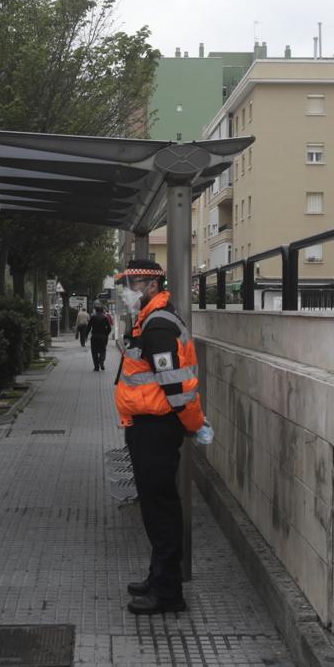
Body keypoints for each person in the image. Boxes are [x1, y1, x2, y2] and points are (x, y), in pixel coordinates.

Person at [113, 259, 212, 615]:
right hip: (147, 428)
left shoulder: (158, 325)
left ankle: (168, 592)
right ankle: (158, 578)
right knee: (156, 508)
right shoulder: (152, 319)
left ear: (151, 286)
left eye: (132, 284)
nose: (127, 292)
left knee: (161, 509)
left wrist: (194, 423)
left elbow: (177, 386)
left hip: (157, 429)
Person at [88, 305, 112, 371]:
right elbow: (109, 328)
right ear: (102, 311)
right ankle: (101, 361)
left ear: (96, 311)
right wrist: (106, 334)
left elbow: (89, 327)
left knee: (94, 352)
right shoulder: (105, 318)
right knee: (103, 350)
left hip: (94, 337)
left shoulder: (93, 317)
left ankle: (96, 367)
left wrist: (86, 335)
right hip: (103, 337)